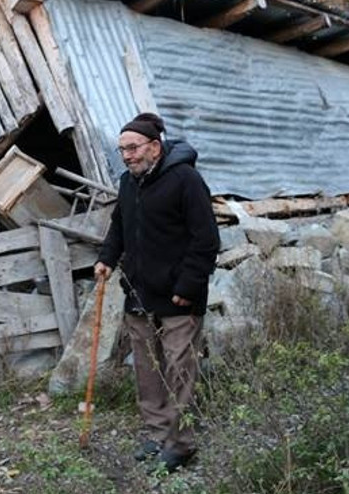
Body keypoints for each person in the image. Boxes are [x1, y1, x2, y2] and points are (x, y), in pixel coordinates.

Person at [94, 113, 219, 472]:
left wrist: (187, 286)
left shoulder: (186, 180)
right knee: (148, 369)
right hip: (139, 293)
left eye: (133, 148)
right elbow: (119, 225)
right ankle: (157, 433)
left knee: (180, 369)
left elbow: (206, 239)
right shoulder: (127, 183)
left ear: (154, 146)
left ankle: (181, 444)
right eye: (122, 150)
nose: (128, 156)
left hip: (179, 297)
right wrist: (106, 257)